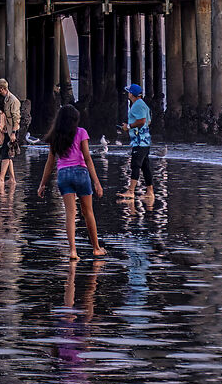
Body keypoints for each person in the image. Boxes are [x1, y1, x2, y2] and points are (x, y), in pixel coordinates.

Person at [35, 103, 104, 259]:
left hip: (63, 175)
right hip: (81, 173)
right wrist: (97, 182)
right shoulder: (81, 132)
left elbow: (50, 163)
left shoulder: (55, 136)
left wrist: (42, 184)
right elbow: (87, 159)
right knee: (88, 213)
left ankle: (73, 251)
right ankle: (96, 248)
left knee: (70, 214)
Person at [121, 81, 156, 205]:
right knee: (145, 166)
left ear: (132, 94)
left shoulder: (137, 105)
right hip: (145, 141)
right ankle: (149, 192)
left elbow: (142, 121)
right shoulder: (144, 105)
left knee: (135, 164)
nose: (127, 94)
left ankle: (131, 191)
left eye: (129, 93)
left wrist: (129, 126)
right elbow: (148, 122)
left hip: (139, 142)